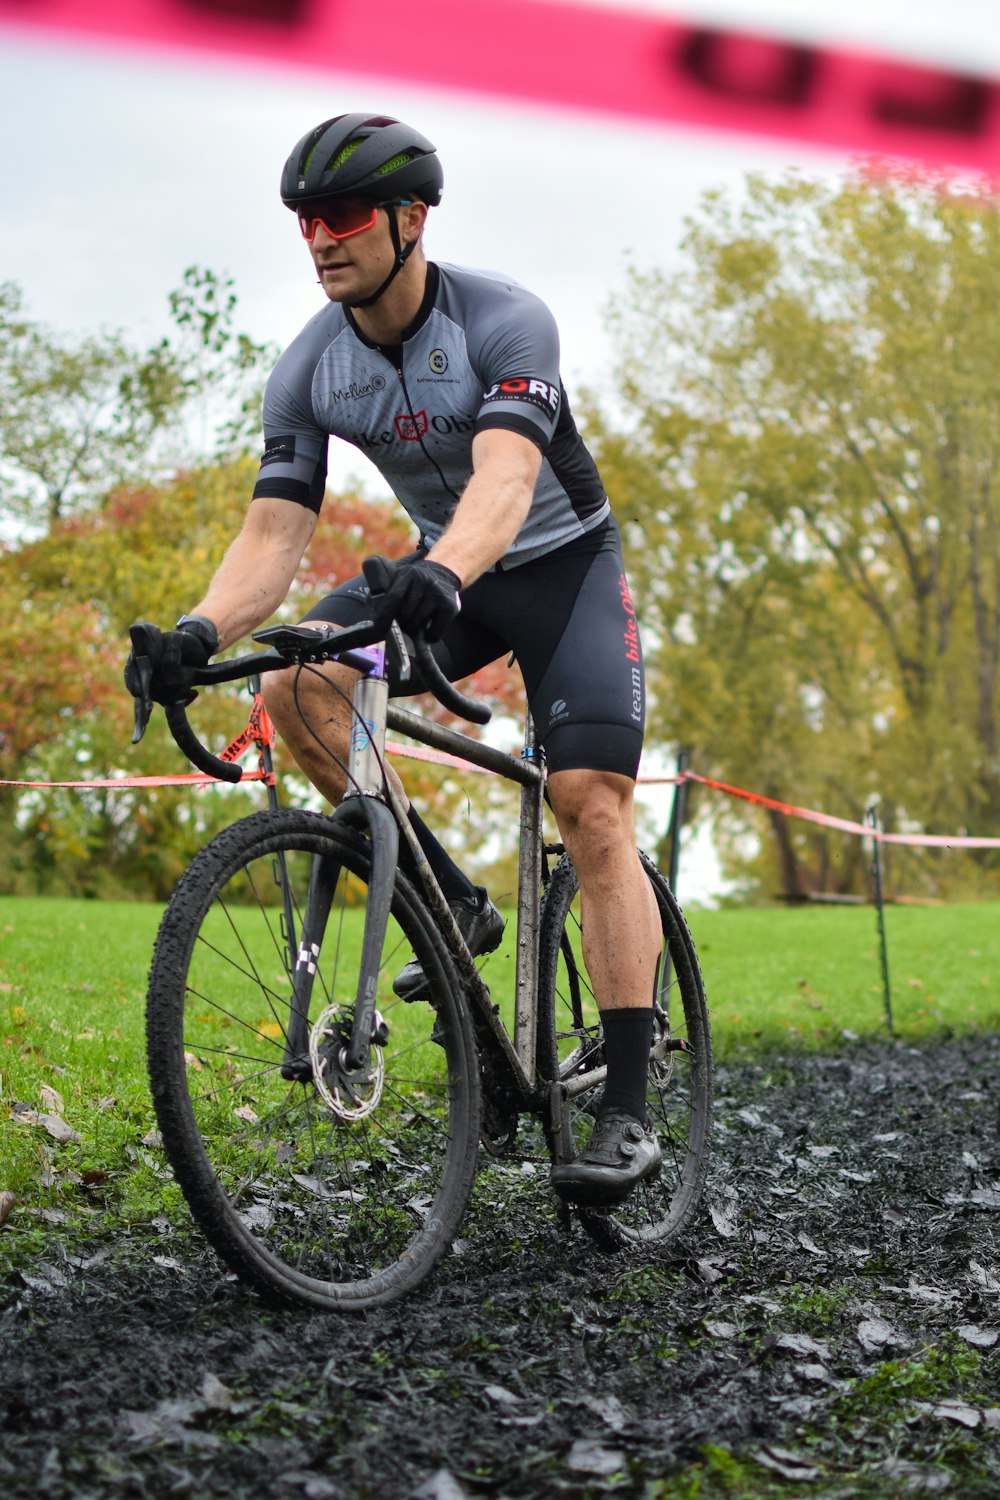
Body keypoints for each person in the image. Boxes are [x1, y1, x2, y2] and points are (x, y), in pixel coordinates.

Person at [125, 113, 661, 1208]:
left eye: (342, 216)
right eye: (304, 222)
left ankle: (630, 1106)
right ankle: (447, 898)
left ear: (411, 220)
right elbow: (272, 538)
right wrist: (194, 633)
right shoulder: (310, 369)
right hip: (443, 570)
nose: (320, 238)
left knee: (589, 804)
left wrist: (451, 569)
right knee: (298, 680)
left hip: (558, 568)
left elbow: (507, 485)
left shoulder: (506, 322)